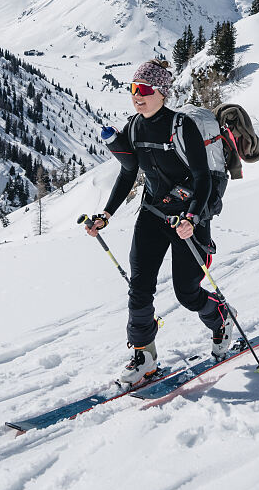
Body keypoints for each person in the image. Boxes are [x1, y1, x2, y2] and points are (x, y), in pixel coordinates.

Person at [83, 59, 235, 385]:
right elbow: (128, 173)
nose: (137, 96)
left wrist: (193, 217)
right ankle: (144, 358)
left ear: (162, 93)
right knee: (139, 287)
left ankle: (220, 319)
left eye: (145, 90)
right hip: (152, 214)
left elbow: (202, 178)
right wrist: (105, 215)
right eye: (133, 89)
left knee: (187, 293)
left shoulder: (182, 126)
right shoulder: (135, 127)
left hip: (187, 218)